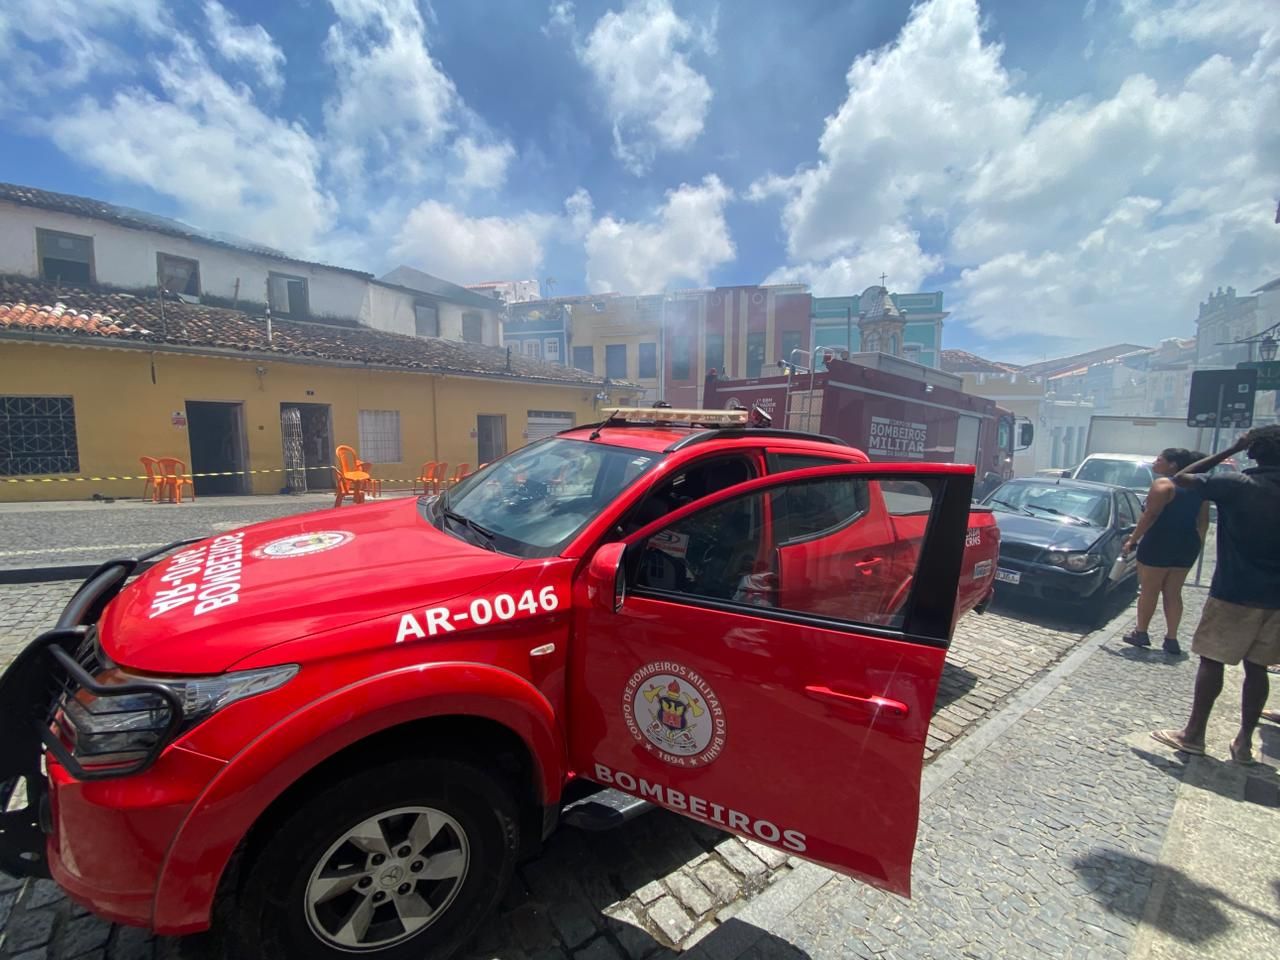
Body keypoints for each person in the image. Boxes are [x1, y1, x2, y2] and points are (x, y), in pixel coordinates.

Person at [1152, 426, 1280, 764]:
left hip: (1235, 591)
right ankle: (1244, 744)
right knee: (1258, 670)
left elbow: (1182, 477)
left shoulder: (1240, 485)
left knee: (1212, 661)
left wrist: (1232, 448)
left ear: (1255, 451)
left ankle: (1193, 734)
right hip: (1276, 600)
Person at [1121, 448, 1210, 654]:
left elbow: (1150, 516)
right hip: (1187, 544)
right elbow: (1202, 521)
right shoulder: (1199, 488)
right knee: (1173, 592)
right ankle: (1172, 638)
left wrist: (1133, 540)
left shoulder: (1163, 485)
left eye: (1159, 459)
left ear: (1173, 465)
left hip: (1159, 542)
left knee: (1149, 590)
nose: (1155, 462)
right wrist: (1198, 544)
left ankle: (1141, 632)